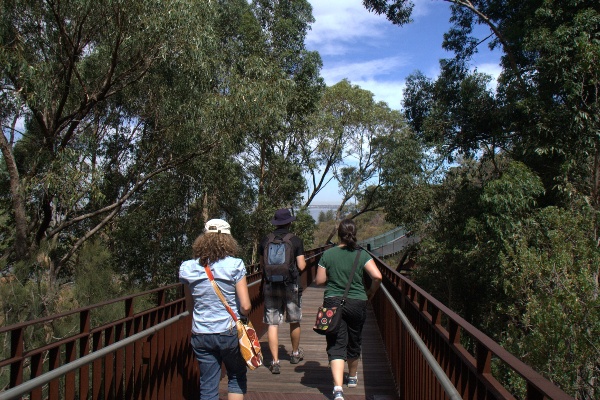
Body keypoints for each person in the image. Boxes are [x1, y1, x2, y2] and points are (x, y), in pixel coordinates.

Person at [179, 219, 251, 400]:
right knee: (235, 376)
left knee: (208, 384)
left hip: (201, 333)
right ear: (228, 239)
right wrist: (242, 318)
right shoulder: (235, 265)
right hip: (228, 331)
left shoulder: (188, 267)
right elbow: (245, 305)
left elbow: (190, 306)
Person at [314, 219, 382, 400]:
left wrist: (333, 277)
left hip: (332, 302)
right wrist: (370, 293)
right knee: (354, 339)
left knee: (336, 343)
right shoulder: (362, 254)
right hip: (358, 302)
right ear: (354, 234)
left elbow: (319, 281)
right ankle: (352, 378)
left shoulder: (328, 255)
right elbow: (377, 276)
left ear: (339, 234)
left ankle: (337, 389)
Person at [259, 208, 307, 374]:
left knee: (272, 323)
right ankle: (294, 354)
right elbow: (301, 265)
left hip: (271, 285)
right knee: (294, 320)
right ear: (289, 222)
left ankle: (275, 361)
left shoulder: (265, 240)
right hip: (290, 285)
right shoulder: (295, 240)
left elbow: (262, 265)